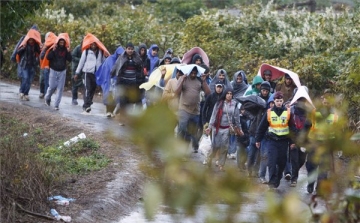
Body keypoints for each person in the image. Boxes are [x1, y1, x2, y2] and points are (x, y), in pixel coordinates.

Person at [255, 91, 293, 189]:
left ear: (283, 101)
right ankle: (272, 182)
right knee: (271, 161)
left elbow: (293, 128)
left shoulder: (288, 112)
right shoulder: (269, 112)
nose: (279, 103)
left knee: (282, 162)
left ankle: (278, 176)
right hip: (272, 141)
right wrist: (258, 140)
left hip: (284, 141)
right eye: (277, 101)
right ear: (274, 101)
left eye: (280, 101)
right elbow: (262, 127)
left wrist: (293, 142)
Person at [306, 90, 339, 194]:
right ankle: (310, 183)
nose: (326, 105)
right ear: (322, 101)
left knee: (324, 168)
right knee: (311, 165)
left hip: (326, 145)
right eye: (325, 102)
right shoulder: (314, 112)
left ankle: (319, 188)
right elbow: (307, 126)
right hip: (314, 144)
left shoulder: (335, 116)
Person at [205, 88, 243, 171]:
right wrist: (209, 127)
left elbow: (237, 118)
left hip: (227, 128)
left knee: (224, 147)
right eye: (228, 93)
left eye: (231, 94)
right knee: (215, 146)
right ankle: (209, 159)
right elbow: (213, 116)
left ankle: (221, 164)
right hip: (217, 128)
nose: (229, 95)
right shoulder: (219, 103)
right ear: (225, 94)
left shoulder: (234, 104)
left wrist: (239, 129)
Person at [175, 65, 211, 153]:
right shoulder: (183, 79)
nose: (194, 75)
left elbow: (208, 92)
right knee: (182, 128)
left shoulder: (199, 80)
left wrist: (204, 81)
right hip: (184, 108)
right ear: (189, 72)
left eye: (195, 73)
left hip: (195, 111)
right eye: (192, 73)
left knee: (190, 132)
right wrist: (182, 80)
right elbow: (176, 92)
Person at [75, 34, 108, 113]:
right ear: (90, 44)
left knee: (93, 89)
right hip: (87, 73)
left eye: (95, 44)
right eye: (92, 44)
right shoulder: (86, 52)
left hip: (96, 74)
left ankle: (88, 104)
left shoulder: (100, 52)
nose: (93, 46)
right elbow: (81, 62)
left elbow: (104, 62)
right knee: (87, 88)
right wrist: (77, 72)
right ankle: (86, 105)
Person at [111, 42, 146, 113]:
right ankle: (123, 118)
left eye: (131, 49)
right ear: (126, 49)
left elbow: (140, 70)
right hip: (123, 82)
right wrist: (112, 74)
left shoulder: (137, 58)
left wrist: (141, 80)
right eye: (129, 49)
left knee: (130, 102)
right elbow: (116, 66)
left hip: (133, 83)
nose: (130, 50)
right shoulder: (121, 57)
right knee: (123, 101)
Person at [247, 81, 272, 180]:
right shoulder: (256, 98)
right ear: (260, 90)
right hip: (254, 129)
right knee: (252, 152)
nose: (264, 92)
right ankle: (249, 170)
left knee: (261, 154)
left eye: (266, 90)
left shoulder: (270, 101)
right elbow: (246, 109)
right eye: (263, 90)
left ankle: (256, 171)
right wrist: (253, 116)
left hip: (264, 132)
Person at [288, 89, 312, 187]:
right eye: (299, 99)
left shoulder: (309, 112)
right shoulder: (291, 110)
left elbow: (311, 126)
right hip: (294, 139)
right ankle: (294, 179)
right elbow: (288, 125)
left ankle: (294, 172)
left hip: (304, 141)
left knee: (301, 160)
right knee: (294, 160)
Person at [44, 33, 72, 110]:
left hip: (62, 71)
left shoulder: (66, 50)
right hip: (53, 70)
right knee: (52, 86)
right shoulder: (54, 49)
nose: (62, 43)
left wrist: (69, 52)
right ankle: (47, 97)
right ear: (58, 42)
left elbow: (69, 59)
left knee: (60, 89)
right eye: (60, 42)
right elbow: (48, 57)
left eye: (63, 42)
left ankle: (56, 105)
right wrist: (53, 51)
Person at [96, 46, 124, 117]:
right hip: (109, 80)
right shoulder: (110, 59)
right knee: (109, 95)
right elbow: (105, 69)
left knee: (116, 96)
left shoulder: (123, 60)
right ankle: (108, 111)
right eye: (119, 54)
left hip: (117, 81)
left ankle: (112, 111)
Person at [16, 30, 41, 101]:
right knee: (25, 78)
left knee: (29, 80)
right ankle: (22, 92)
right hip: (25, 64)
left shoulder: (36, 46)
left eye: (32, 40)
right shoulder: (25, 45)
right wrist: (23, 48)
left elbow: (39, 52)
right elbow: (18, 52)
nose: (31, 41)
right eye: (30, 39)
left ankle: (26, 93)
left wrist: (40, 47)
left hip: (32, 65)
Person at [40, 32, 57, 100]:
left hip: (53, 68)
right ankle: (44, 94)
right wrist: (45, 49)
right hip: (45, 66)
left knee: (51, 83)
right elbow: (41, 56)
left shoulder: (56, 47)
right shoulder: (45, 46)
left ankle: (47, 95)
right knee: (44, 81)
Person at [71, 40, 84, 105]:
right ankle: (74, 99)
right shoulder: (78, 48)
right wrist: (81, 60)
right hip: (76, 68)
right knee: (75, 84)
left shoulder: (87, 49)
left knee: (84, 84)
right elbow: (73, 56)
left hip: (83, 69)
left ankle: (86, 99)